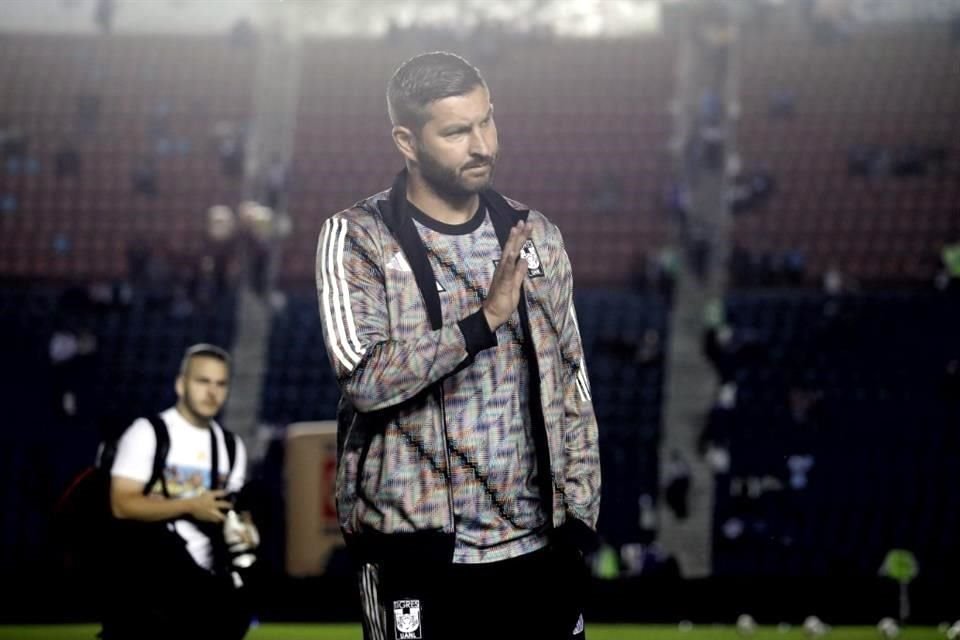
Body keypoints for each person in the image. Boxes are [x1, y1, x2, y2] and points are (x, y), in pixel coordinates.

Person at [315, 51, 601, 640]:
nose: (483, 145)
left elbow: (575, 382)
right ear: (407, 140)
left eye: (486, 121)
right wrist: (485, 319)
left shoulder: (536, 234)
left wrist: (579, 523)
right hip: (416, 554)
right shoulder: (358, 237)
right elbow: (366, 379)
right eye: (456, 131)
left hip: (538, 552)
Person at [105, 344, 256, 639]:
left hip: (204, 586)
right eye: (203, 381)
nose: (212, 391)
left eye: (220, 383)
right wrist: (189, 506)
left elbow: (233, 509)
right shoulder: (148, 432)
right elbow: (121, 504)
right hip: (145, 591)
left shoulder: (231, 445)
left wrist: (244, 528)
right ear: (180, 383)